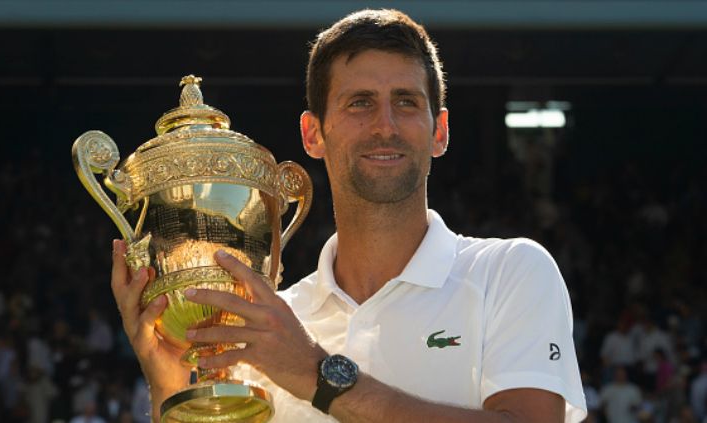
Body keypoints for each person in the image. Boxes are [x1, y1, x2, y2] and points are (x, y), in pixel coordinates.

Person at [111, 9, 587, 422]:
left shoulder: (509, 272)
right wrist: (171, 386)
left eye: (406, 102)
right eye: (360, 103)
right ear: (312, 134)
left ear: (439, 131)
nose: (385, 126)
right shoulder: (268, 323)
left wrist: (316, 375)